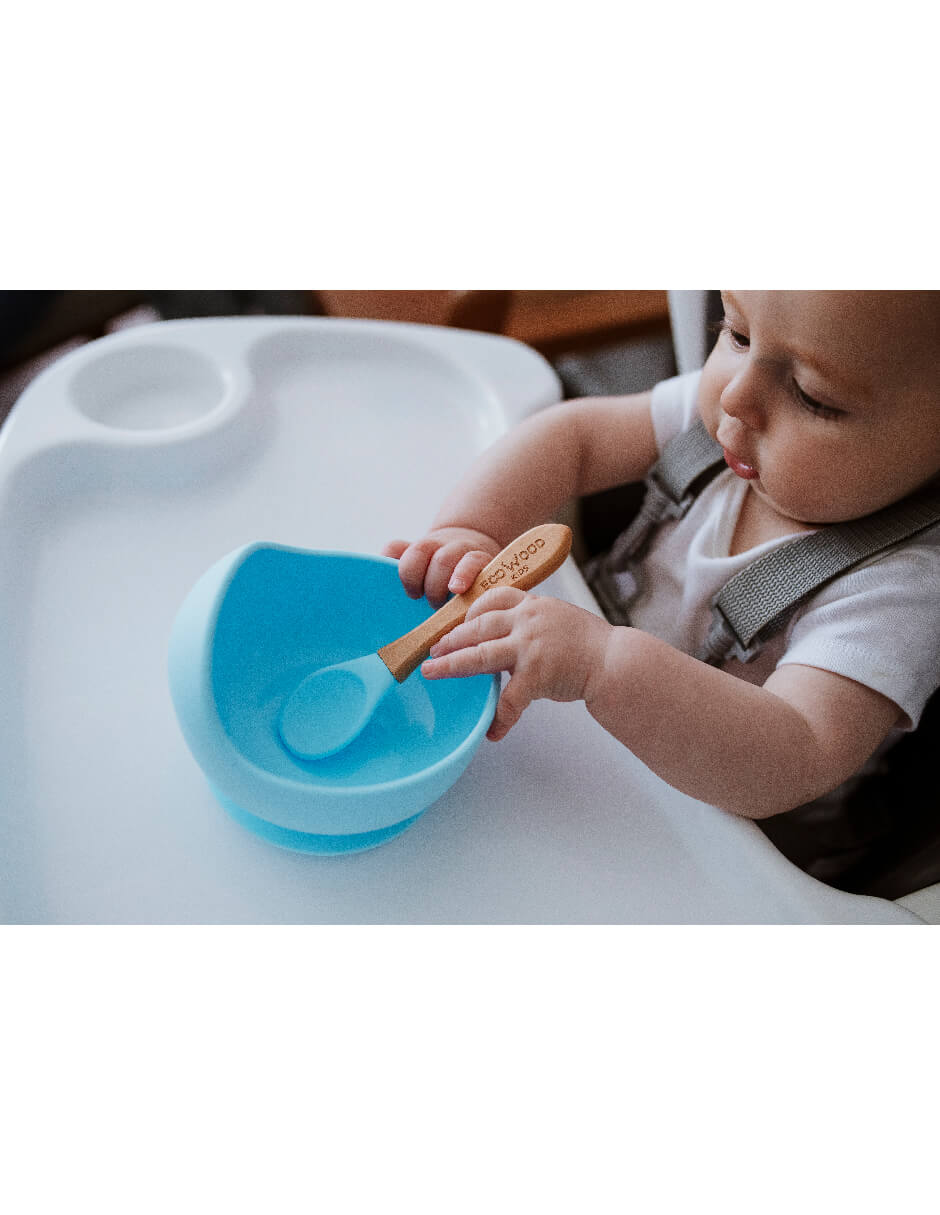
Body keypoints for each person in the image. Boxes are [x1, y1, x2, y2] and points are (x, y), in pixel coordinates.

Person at [382, 292, 940, 822]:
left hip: (707, 818)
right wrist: (474, 528)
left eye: (812, 396)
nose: (736, 398)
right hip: (574, 723)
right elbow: (576, 438)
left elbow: (798, 753)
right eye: (738, 334)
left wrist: (603, 663)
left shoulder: (899, 596)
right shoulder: (725, 417)